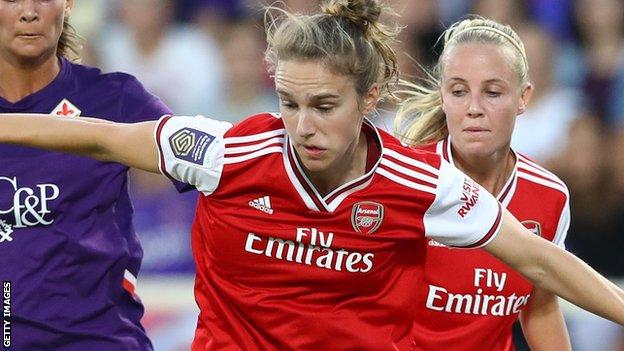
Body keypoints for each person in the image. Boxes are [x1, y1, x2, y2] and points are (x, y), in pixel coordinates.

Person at [0, 1, 623, 350]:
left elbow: (539, 261)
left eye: (324, 107)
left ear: (368, 97)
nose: (302, 126)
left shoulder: (422, 184)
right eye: (289, 104)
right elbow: (98, 136)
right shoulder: (227, 152)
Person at [0, 0, 183, 349]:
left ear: (68, 4)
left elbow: (213, 168)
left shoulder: (115, 100)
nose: (29, 12)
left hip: (97, 340)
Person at [394, 17, 572, 350]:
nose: (474, 108)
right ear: (443, 97)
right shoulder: (406, 179)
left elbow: (541, 307)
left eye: (492, 92)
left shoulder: (550, 196)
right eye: (459, 91)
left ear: (523, 97)